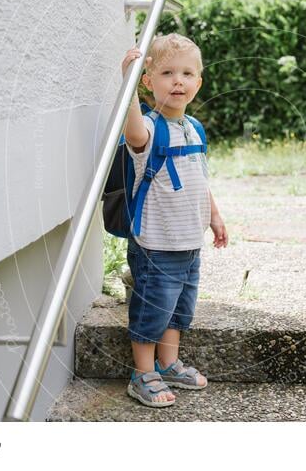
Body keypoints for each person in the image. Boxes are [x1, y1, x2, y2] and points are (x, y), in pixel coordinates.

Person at [121, 33, 228, 407]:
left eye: (187, 73)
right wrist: (128, 88)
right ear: (149, 82)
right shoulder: (150, 127)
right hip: (156, 243)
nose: (178, 81)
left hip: (188, 242)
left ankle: (168, 365)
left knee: (178, 310)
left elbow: (201, 177)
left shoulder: (194, 127)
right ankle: (142, 373)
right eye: (167, 73)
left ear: (198, 82)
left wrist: (214, 215)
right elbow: (132, 131)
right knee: (152, 308)